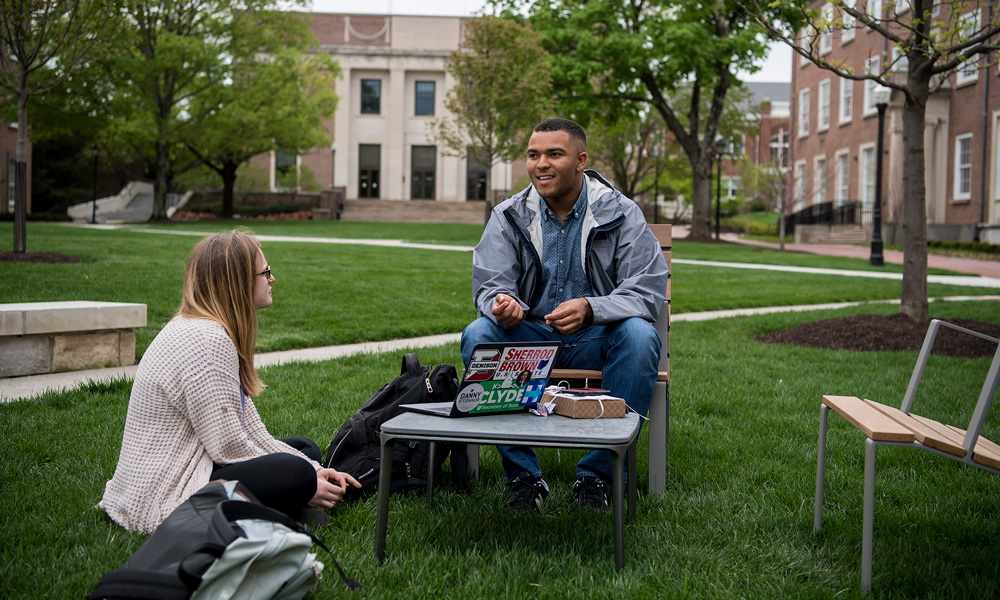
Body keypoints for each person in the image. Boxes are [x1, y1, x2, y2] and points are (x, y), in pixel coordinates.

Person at [461, 118, 668, 512]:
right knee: (479, 334)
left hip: (599, 340)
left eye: (554, 154)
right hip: (532, 337)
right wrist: (502, 304)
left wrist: (593, 308)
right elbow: (491, 283)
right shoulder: (509, 215)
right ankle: (524, 477)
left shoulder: (621, 212)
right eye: (534, 155)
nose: (542, 164)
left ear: (580, 160)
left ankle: (597, 477)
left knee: (641, 337)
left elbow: (646, 288)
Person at [99, 229, 360, 533]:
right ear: (238, 283)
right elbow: (228, 448)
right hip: (165, 491)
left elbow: (249, 431)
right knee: (295, 473)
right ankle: (281, 510)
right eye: (266, 272)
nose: (272, 279)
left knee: (306, 450)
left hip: (197, 462)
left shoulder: (204, 327)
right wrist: (307, 482)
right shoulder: (208, 341)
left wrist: (314, 468)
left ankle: (284, 507)